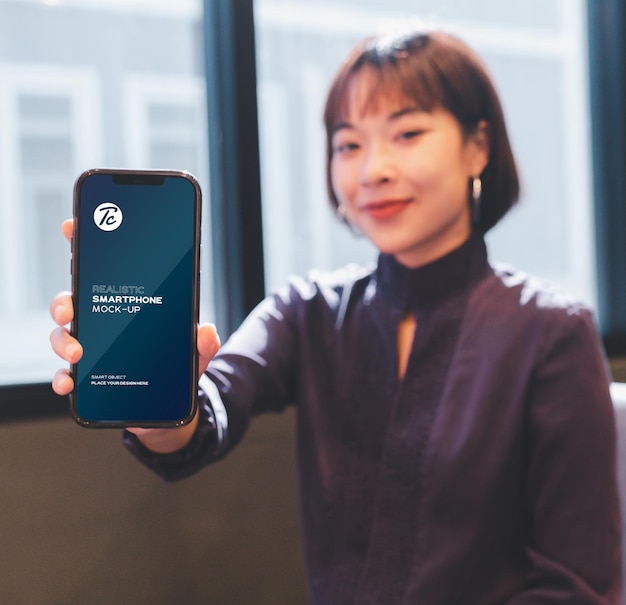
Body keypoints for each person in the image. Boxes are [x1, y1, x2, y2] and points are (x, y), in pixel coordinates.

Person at [50, 28, 621, 604]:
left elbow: (577, 587)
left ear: (478, 147)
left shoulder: (553, 333)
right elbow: (210, 414)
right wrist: (160, 400)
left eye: (408, 133)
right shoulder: (309, 311)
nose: (373, 169)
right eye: (349, 145)